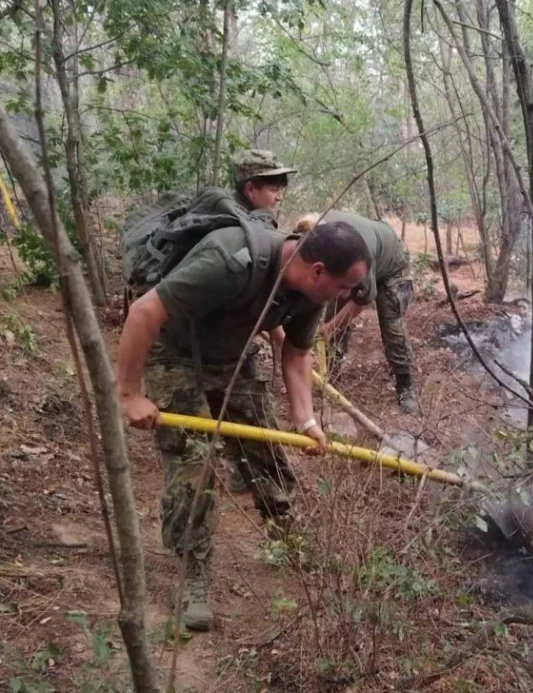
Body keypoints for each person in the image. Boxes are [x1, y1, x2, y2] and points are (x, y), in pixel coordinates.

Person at [117, 221, 369, 632]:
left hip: (232, 357)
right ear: (319, 270)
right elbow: (144, 311)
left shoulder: (311, 291)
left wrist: (304, 418)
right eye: (344, 287)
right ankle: (192, 573)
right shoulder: (230, 259)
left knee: (264, 447)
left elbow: (297, 352)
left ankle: (284, 534)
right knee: (194, 465)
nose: (345, 298)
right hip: (177, 352)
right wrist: (129, 393)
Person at [295, 210, 418, 414]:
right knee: (333, 317)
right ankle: (332, 377)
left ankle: (406, 386)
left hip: (392, 265)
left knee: (392, 326)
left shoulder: (355, 252)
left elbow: (362, 299)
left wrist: (329, 327)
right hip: (356, 261)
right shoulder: (316, 235)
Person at [231, 149, 296, 224]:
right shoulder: (238, 227)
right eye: (274, 190)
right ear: (250, 190)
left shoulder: (249, 220)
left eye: (280, 189)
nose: (280, 197)